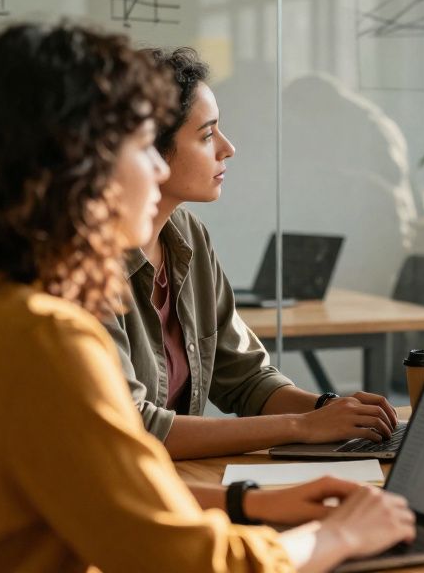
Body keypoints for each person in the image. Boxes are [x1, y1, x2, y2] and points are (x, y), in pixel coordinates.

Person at [0, 23, 414, 571]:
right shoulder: (45, 337)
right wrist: (338, 536)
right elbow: (185, 562)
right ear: (81, 165)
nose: (158, 168)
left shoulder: (4, 312)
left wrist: (249, 503)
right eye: (143, 147)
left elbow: (111, 498)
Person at [104, 47, 398, 460]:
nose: (228, 148)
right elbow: (134, 428)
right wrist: (303, 426)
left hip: (169, 479)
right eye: (207, 135)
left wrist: (329, 410)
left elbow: (245, 377)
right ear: (149, 149)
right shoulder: (85, 267)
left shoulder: (188, 235)